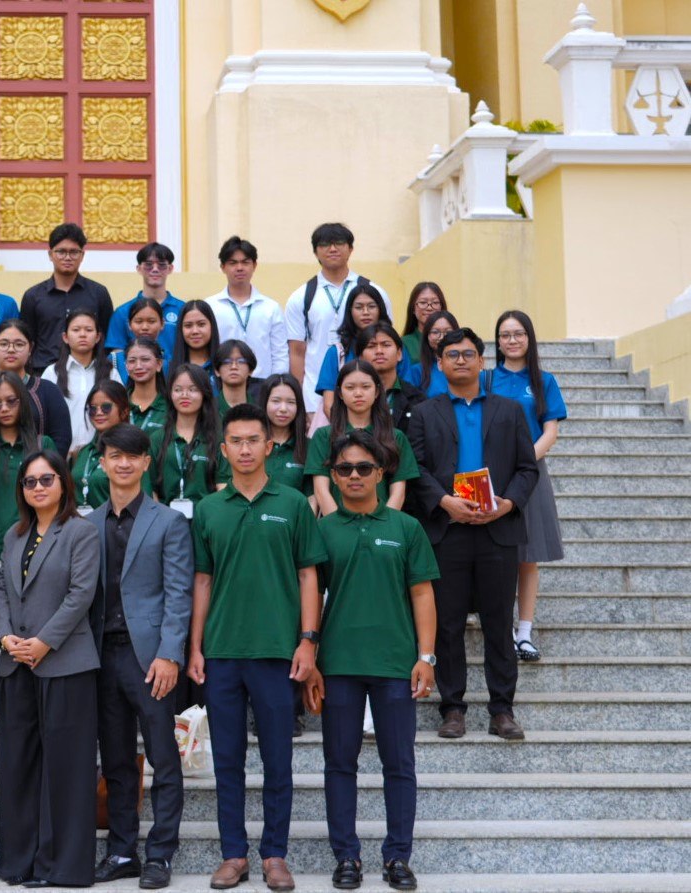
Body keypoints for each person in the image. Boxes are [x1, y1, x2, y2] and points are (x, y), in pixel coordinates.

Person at [186, 403, 326, 893]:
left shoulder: (293, 503)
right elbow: (202, 581)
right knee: (227, 760)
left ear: (269, 446)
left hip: (277, 651)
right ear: (223, 450)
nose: (245, 449)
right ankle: (233, 854)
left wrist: (308, 641)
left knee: (277, 760)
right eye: (236, 442)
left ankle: (274, 855)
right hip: (222, 651)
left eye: (253, 441)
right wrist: (195, 647)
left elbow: (309, 575)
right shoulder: (208, 508)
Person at [316, 429, 438, 893]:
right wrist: (310, 658)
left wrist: (426, 656)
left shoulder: (406, 528)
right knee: (339, 763)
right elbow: (308, 596)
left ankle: (397, 857)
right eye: (344, 468)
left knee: (399, 763)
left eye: (364, 467)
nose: (354, 475)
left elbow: (423, 593)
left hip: (395, 663)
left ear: (381, 473)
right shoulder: (322, 530)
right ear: (333, 475)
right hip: (338, 664)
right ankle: (346, 856)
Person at [406, 328, 538, 742]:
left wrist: (508, 504)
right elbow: (416, 469)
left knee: (498, 622)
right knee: (448, 624)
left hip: (497, 528)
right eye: (452, 354)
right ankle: (452, 708)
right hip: (448, 530)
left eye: (468, 354)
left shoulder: (509, 411)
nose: (460, 360)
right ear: (440, 363)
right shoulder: (424, 413)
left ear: (482, 362)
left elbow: (527, 468)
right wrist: (445, 502)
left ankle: (502, 710)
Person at [88, 423, 192, 890]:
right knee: (115, 759)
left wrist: (170, 654)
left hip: (149, 658)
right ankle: (122, 851)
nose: (124, 463)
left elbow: (178, 593)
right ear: (103, 463)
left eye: (132, 456)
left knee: (163, 758)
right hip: (100, 656)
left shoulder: (168, 521)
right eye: (115, 455)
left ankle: (161, 855)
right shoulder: (88, 523)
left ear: (147, 462)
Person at [0, 451, 101, 888]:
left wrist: (43, 642)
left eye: (46, 479)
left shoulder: (81, 531)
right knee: (17, 766)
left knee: (66, 770)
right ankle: (20, 862)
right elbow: (2, 589)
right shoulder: (14, 534)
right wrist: (5, 637)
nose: (38, 487)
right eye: (30, 481)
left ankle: (63, 867)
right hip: (15, 664)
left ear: (63, 483)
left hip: (65, 665)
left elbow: (81, 594)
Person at [0, 372, 56, 738]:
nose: (4, 408)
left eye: (11, 401)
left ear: (24, 402)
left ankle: (34, 714)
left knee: (37, 633)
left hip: (39, 550)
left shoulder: (41, 443)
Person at [491, 310, 567, 662]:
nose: (512, 340)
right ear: (498, 341)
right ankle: (502, 627)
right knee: (496, 554)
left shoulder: (543, 381)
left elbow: (550, 431)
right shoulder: (487, 379)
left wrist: (522, 462)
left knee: (528, 555)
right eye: (505, 335)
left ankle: (524, 632)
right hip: (493, 474)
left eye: (518, 333)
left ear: (529, 338)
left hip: (531, 473)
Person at [284, 223, 393, 413]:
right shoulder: (301, 296)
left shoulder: (375, 292)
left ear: (350, 249)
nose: (333, 249)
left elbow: (386, 339)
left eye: (339, 243)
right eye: (325, 244)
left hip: (368, 396)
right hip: (314, 398)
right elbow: (297, 352)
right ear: (315, 252)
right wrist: (299, 400)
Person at [306, 361, 419, 517]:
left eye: (366, 387)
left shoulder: (395, 437)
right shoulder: (323, 436)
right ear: (340, 393)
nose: (358, 393)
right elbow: (321, 490)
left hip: (383, 525)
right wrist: (337, 525)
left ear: (377, 391)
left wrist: (383, 525)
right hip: (334, 524)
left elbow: (398, 492)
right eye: (350, 387)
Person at [0, 319, 74, 456]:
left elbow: (61, 439)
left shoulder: (48, 390)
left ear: (30, 349)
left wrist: (42, 467)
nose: (11, 350)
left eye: (19, 344)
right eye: (3, 344)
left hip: (38, 468)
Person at [20, 223, 114, 370]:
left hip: (88, 371)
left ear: (82, 255)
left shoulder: (99, 293)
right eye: (61, 252)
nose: (67, 257)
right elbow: (27, 340)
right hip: (43, 371)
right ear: (50, 254)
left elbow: (106, 337)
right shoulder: (33, 296)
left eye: (74, 252)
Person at [315, 283, 408, 417]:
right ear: (350, 312)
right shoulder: (337, 352)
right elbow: (329, 405)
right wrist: (349, 428)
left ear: (380, 309)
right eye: (359, 307)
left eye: (371, 306)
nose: (365, 312)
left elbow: (407, 392)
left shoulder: (395, 347)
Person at [150, 364, 229, 518]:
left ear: (204, 393)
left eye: (193, 390)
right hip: (164, 522)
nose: (184, 395)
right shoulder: (157, 438)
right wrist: (161, 522)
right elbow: (151, 489)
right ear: (170, 394)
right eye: (178, 389)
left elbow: (223, 487)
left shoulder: (218, 438)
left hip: (207, 520)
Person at [40, 308, 119, 455]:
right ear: (65, 337)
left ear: (97, 337)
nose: (82, 334)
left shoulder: (110, 373)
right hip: (61, 454)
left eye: (89, 330)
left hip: (101, 454)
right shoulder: (52, 373)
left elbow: (120, 413)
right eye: (76, 330)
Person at [207, 237, 287, 379]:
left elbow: (280, 354)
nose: (239, 268)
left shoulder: (271, 308)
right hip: (222, 383)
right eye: (233, 263)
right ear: (223, 267)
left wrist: (276, 384)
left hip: (263, 383)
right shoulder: (211, 306)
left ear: (254, 265)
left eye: (245, 262)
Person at [71, 381, 146, 515]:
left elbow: (145, 499)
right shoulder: (82, 452)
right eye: (93, 408)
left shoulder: (134, 451)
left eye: (106, 407)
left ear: (124, 411)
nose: (98, 413)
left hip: (120, 524)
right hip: (81, 526)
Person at [106, 242, 184, 358]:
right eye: (148, 265)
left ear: (170, 268)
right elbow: (118, 354)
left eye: (161, 265)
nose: (155, 269)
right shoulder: (123, 312)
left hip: (176, 369)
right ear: (139, 268)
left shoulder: (182, 309)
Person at [356, 323, 426, 437]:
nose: (379, 351)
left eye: (386, 345)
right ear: (361, 358)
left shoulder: (417, 399)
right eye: (371, 346)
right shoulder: (350, 398)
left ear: (399, 354)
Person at [258, 373, 311, 497]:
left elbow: (312, 496)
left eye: (291, 402)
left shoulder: (309, 446)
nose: (283, 409)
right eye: (276, 401)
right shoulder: (251, 444)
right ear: (265, 403)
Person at [403, 310, 458, 399]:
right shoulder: (416, 371)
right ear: (427, 336)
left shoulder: (465, 366)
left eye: (448, 332)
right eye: (435, 332)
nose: (442, 337)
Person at [123, 337, 170, 435]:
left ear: (159, 364)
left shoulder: (172, 406)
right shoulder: (118, 404)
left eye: (145, 359)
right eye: (132, 361)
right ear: (126, 366)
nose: (138, 366)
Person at [113, 299, 169, 378]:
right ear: (129, 324)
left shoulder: (170, 360)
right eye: (139, 322)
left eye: (151, 321)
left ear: (162, 323)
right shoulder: (115, 360)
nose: (145, 327)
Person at [400, 282, 446, 365]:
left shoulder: (452, 339)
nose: (429, 308)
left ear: (441, 307)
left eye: (435, 303)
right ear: (413, 309)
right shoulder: (404, 343)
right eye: (423, 303)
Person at [213, 340, 262, 418]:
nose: (234, 366)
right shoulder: (208, 408)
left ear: (251, 370)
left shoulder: (261, 409)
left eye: (241, 361)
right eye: (227, 361)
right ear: (217, 371)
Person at [170, 300, 219, 374]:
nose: (195, 331)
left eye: (201, 324)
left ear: (212, 326)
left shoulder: (224, 364)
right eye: (188, 325)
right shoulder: (168, 367)